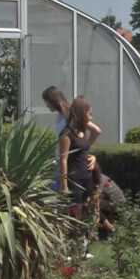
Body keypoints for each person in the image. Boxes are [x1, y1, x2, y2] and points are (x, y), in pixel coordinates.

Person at [59, 97, 97, 258]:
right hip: (74, 179)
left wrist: (92, 158)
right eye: (89, 113)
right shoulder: (67, 134)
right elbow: (63, 159)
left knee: (86, 213)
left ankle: (82, 248)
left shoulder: (82, 134)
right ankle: (69, 250)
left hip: (86, 178)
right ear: (82, 114)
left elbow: (85, 150)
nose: (91, 117)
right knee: (74, 214)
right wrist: (64, 184)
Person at [42, 86, 100, 191]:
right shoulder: (60, 116)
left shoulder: (70, 115)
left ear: (52, 101)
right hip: (62, 161)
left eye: (47, 102)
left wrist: (81, 150)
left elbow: (96, 131)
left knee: (55, 197)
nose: (46, 106)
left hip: (67, 162)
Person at [91, 164, 125, 240]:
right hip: (111, 201)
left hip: (118, 203)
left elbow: (97, 198)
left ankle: (111, 228)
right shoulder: (99, 177)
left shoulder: (99, 181)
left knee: (93, 204)